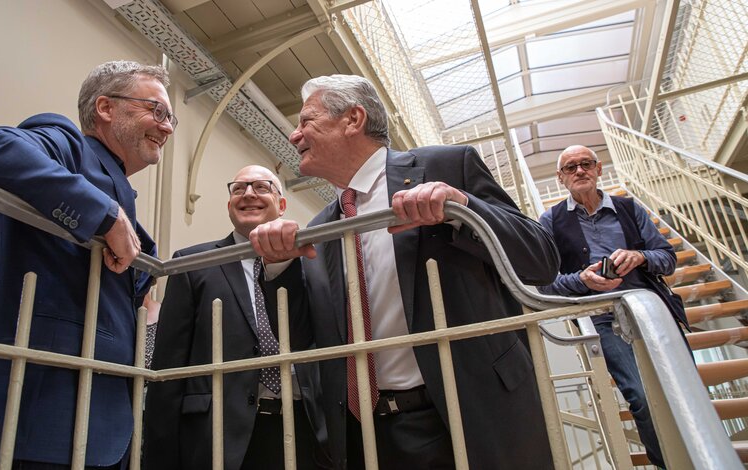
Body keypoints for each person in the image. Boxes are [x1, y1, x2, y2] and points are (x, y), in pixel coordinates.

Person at [250, 74, 559, 469]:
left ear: (353, 119)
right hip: (366, 436)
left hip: (469, 413)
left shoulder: (445, 166)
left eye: (305, 121)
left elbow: (541, 260)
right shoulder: (322, 226)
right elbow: (305, 337)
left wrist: (463, 207)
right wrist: (279, 264)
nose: (294, 136)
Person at [0, 60, 173, 469]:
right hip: (36, 409)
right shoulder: (67, 143)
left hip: (100, 421)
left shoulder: (125, 197)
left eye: (169, 117)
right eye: (157, 111)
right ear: (106, 108)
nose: (167, 127)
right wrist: (104, 215)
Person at [144, 165, 328, 469]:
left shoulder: (310, 263)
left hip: (304, 427)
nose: (248, 194)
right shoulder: (194, 263)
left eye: (261, 187)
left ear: (282, 205)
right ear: (230, 206)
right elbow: (169, 370)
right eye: (238, 189)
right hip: (218, 435)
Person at [537, 145, 689, 469]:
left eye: (585, 164)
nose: (579, 171)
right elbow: (544, 283)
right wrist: (583, 280)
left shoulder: (629, 208)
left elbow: (668, 259)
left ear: (599, 168)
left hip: (652, 310)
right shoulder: (550, 221)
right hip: (601, 318)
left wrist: (641, 257)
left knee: (685, 389)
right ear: (561, 178)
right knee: (643, 398)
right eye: (570, 167)